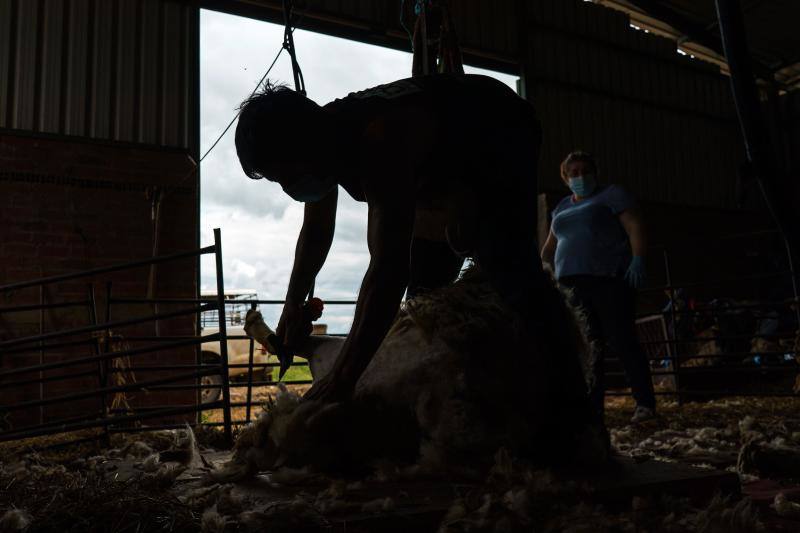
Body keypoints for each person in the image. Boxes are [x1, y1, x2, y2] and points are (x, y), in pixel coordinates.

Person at [234, 75, 590, 425]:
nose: (286, 188)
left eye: (285, 175)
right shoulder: (324, 144)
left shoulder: (379, 139)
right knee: (426, 296)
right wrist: (292, 303)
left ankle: (575, 411)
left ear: (305, 145)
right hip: (437, 164)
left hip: (497, 126)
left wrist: (341, 380)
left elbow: (387, 269)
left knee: (507, 266)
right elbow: (315, 232)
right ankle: (447, 406)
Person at [540, 151, 656, 423]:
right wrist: (543, 271)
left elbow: (634, 225)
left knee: (622, 339)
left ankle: (645, 404)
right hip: (570, 284)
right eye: (574, 173)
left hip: (606, 278)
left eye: (585, 170)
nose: (580, 176)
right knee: (588, 347)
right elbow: (548, 249)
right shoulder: (561, 208)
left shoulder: (611, 195)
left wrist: (638, 259)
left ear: (595, 173)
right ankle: (593, 409)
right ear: (566, 179)